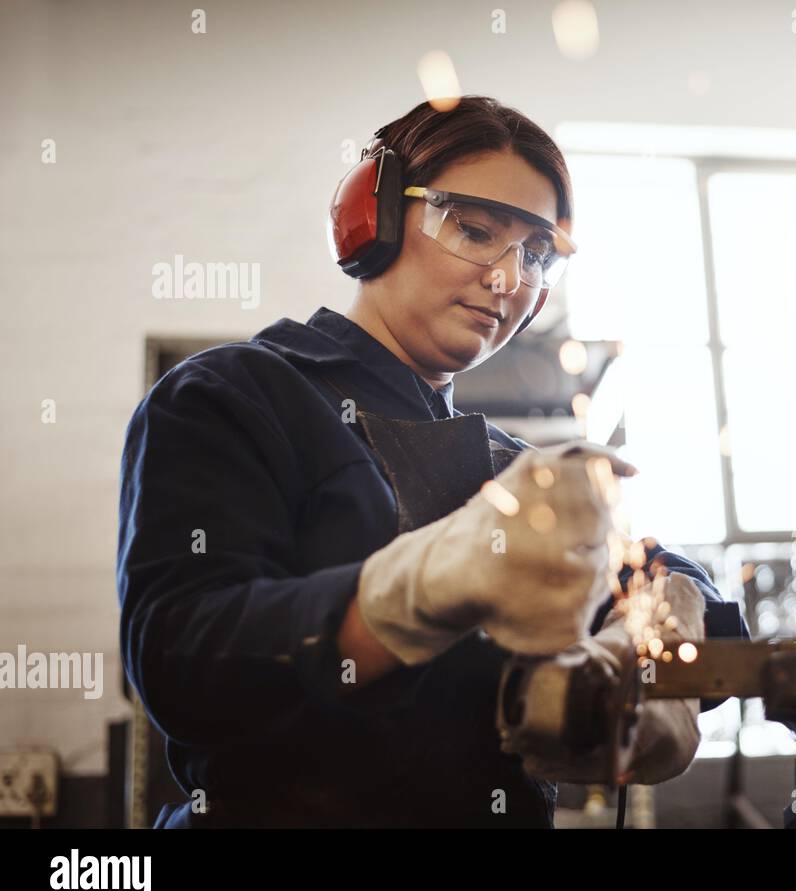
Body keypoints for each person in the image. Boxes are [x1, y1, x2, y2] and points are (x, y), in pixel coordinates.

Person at [117, 96, 747, 828]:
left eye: (537, 255)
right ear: (373, 219)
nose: (510, 280)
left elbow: (685, 594)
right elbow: (181, 660)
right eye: (476, 231)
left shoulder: (511, 471)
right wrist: (413, 591)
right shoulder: (233, 397)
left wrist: (660, 626)